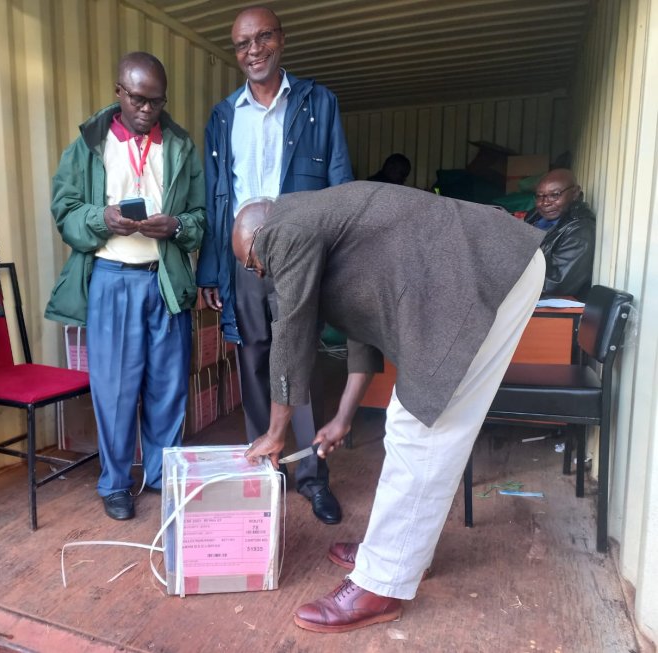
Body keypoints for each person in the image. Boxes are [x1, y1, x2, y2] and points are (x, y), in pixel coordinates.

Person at [236, 182, 545, 632]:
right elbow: (366, 329)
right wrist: (343, 418)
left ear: (260, 234)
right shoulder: (327, 229)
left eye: (251, 262)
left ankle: (381, 585)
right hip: (483, 267)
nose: (259, 274)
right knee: (417, 425)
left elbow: (293, 328)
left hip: (482, 270)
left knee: (422, 427)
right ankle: (396, 555)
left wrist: (276, 431)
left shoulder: (285, 227)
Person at [196, 6, 353, 525]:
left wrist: (333, 259)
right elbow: (218, 199)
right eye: (242, 43)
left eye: (263, 38)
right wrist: (213, 270)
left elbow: (338, 187)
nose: (253, 50)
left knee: (298, 363)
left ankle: (310, 475)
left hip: (300, 256)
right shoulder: (223, 117)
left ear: (281, 41)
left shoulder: (316, 103)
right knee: (254, 360)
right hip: (243, 262)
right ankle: (268, 470)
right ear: (235, 52)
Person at [45, 52, 205, 521]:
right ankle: (115, 483)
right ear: (119, 92)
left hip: (165, 281)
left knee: (168, 387)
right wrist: (103, 218)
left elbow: (200, 218)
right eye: (138, 99)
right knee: (114, 390)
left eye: (156, 102)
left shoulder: (179, 145)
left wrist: (174, 226)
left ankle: (161, 476)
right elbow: (65, 210)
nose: (147, 110)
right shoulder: (89, 144)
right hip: (111, 280)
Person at [524, 168, 596, 299]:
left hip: (546, 305)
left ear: (575, 193)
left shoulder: (579, 230)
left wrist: (507, 282)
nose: (545, 203)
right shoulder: (534, 216)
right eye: (540, 196)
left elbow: (557, 284)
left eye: (555, 195)